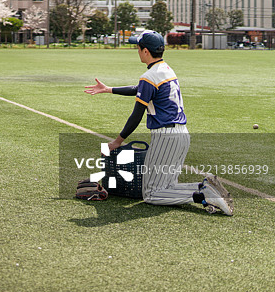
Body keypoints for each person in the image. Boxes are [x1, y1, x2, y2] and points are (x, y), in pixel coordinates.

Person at [84, 30, 233, 215]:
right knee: (168, 186)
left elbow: (136, 115)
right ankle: (204, 186)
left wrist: (117, 141)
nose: (137, 51)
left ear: (145, 51)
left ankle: (202, 195)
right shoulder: (165, 70)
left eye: (138, 48)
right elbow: (139, 89)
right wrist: (109, 89)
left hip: (166, 138)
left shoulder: (149, 76)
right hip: (181, 135)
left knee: (152, 194)